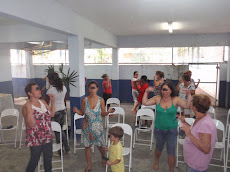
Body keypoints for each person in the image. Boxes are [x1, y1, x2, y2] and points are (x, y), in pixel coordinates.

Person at [142, 81, 192, 172]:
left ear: (171, 91)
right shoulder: (157, 98)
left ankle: (171, 170)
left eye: (166, 90)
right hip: (159, 129)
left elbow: (187, 106)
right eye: (162, 89)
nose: (164, 92)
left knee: (171, 152)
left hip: (171, 130)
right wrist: (146, 91)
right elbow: (145, 102)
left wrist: (189, 94)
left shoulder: (176, 99)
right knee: (158, 148)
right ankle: (157, 160)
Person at [73, 80, 115, 172]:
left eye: (94, 88)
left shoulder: (101, 100)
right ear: (88, 89)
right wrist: (77, 111)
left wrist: (108, 112)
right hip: (87, 127)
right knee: (87, 147)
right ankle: (89, 165)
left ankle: (103, 158)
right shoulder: (85, 100)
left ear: (97, 89)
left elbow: (103, 113)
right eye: (90, 88)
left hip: (97, 126)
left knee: (100, 146)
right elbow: (82, 113)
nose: (92, 90)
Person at [178, 94, 217, 172]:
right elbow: (197, 132)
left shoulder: (205, 124)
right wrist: (186, 125)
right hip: (194, 162)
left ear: (195, 107)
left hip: (197, 166)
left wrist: (190, 134)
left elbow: (206, 149)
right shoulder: (201, 118)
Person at [22, 82, 56, 172]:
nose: (39, 90)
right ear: (29, 93)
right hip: (35, 139)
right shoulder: (26, 106)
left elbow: (52, 114)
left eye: (38, 88)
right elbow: (30, 124)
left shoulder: (43, 102)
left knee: (48, 161)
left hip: (47, 137)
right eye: (36, 89)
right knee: (34, 161)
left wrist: (53, 101)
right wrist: (29, 110)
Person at [46, 72, 70, 155]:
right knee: (60, 130)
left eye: (49, 79)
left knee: (57, 131)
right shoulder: (64, 88)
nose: (49, 81)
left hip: (55, 111)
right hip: (62, 110)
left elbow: (46, 102)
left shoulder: (51, 90)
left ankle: (61, 151)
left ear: (52, 80)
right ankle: (66, 148)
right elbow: (64, 99)